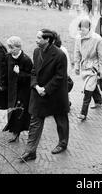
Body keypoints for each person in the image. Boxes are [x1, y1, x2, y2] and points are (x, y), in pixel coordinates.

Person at [20, 29, 69, 162]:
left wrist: (46, 89)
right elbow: (34, 71)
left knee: (61, 120)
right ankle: (30, 151)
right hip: (38, 93)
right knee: (35, 121)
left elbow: (60, 77)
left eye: (38, 38)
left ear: (47, 39)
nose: (36, 40)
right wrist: (36, 86)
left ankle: (62, 143)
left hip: (55, 95)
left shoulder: (59, 55)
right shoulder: (37, 52)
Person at [74, 18, 102, 121]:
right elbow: (77, 52)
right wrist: (76, 65)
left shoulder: (97, 39)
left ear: (89, 28)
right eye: (80, 29)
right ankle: (98, 100)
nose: (81, 32)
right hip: (84, 67)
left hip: (94, 67)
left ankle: (83, 113)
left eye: (83, 29)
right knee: (91, 86)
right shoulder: (78, 38)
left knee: (87, 89)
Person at [3, 36, 33, 143]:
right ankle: (14, 130)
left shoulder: (26, 60)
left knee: (20, 113)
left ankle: (22, 132)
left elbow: (31, 76)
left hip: (23, 92)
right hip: (12, 91)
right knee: (11, 111)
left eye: (12, 48)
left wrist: (19, 74)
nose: (10, 50)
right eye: (9, 48)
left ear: (18, 47)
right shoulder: (8, 57)